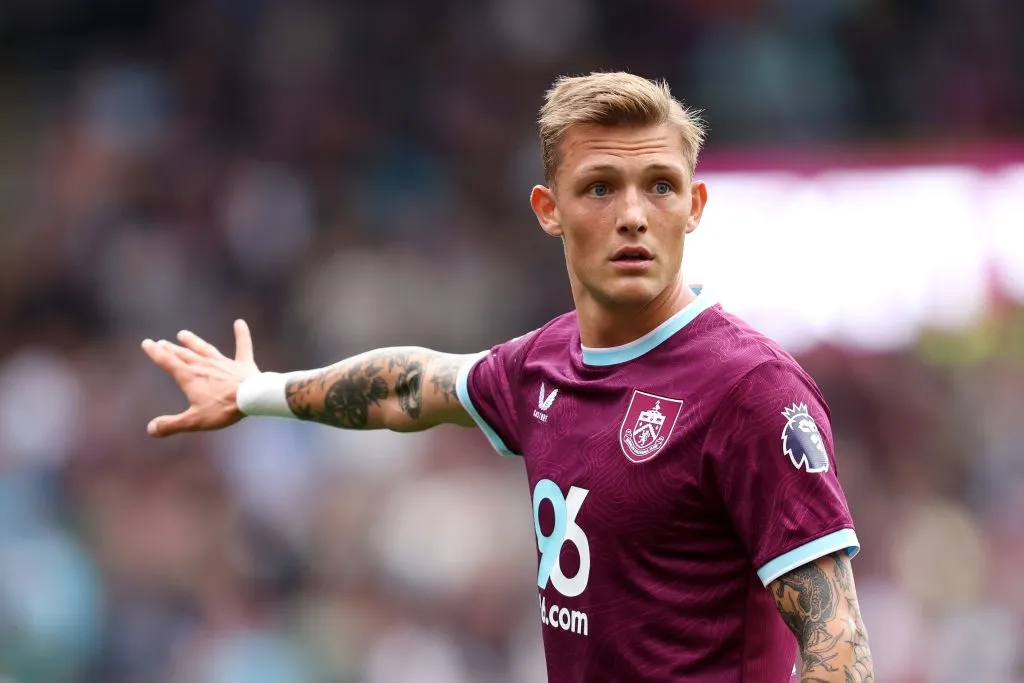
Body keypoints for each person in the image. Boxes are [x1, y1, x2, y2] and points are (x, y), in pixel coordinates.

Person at [141, 71, 873, 683]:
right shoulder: (542, 365)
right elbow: (410, 388)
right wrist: (253, 392)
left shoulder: (751, 392)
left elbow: (837, 642)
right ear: (548, 210)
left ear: (695, 206)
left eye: (659, 186)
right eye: (599, 188)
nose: (633, 216)